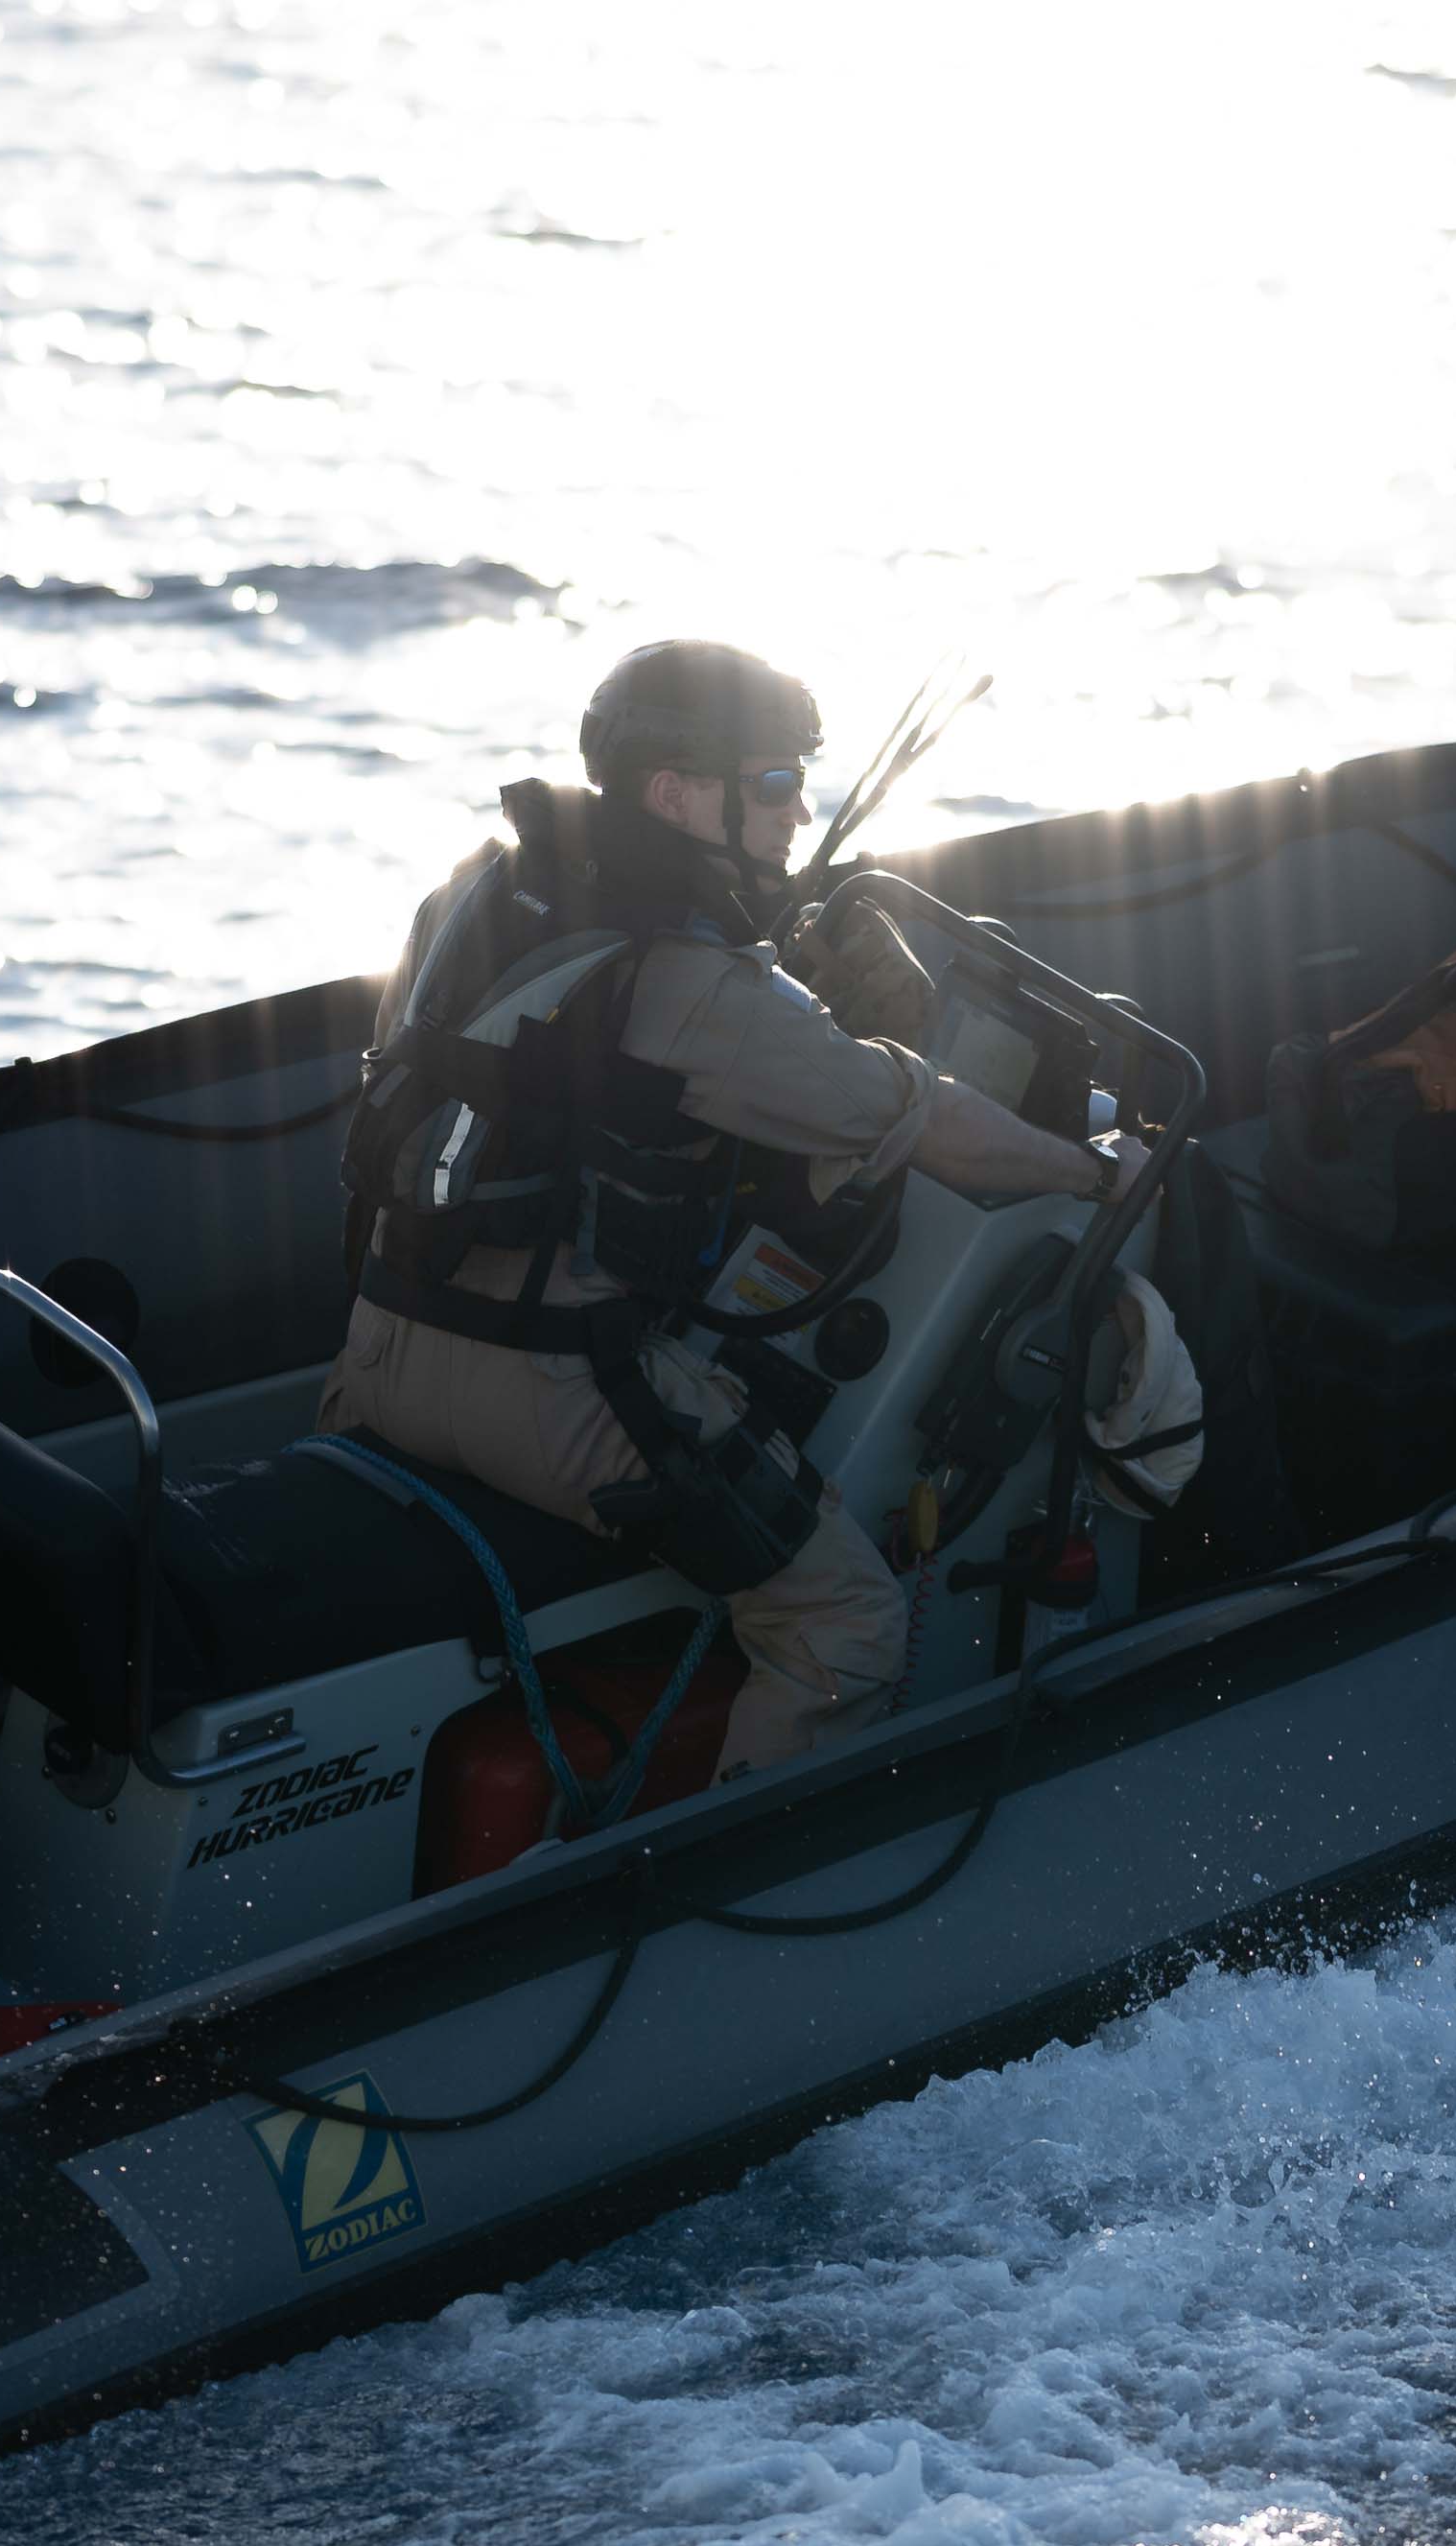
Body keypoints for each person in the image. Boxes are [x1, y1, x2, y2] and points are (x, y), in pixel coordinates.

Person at [321, 640, 1144, 1775]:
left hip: (373, 1346)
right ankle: (727, 1887)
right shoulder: (700, 982)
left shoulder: (473, 888)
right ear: (675, 796)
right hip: (550, 1389)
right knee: (847, 1620)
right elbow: (924, 1117)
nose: (799, 810)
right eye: (772, 785)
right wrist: (1100, 1175)